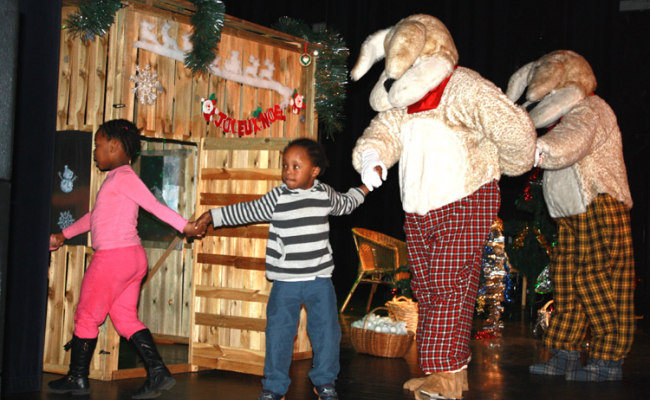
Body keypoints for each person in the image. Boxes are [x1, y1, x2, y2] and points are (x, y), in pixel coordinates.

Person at [349, 14, 536, 400]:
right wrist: (371, 156)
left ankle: (444, 373)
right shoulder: (405, 101)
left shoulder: (463, 86)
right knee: (429, 286)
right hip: (419, 208)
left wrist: (509, 163)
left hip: (466, 197)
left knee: (449, 284)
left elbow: (512, 126)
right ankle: (453, 371)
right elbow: (383, 130)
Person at [194, 138, 370, 400]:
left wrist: (366, 186)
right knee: (278, 335)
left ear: (314, 171)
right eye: (285, 165)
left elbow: (346, 204)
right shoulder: (277, 197)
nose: (288, 171)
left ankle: (325, 382)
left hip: (319, 280)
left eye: (296, 166)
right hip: (286, 282)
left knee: (327, 333)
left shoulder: (324, 193)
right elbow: (248, 210)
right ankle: (274, 387)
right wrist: (212, 216)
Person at [48, 119, 204, 398]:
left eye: (98, 145)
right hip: (131, 259)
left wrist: (186, 227)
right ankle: (157, 372)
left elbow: (153, 205)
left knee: (86, 316)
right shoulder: (115, 180)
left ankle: (77, 377)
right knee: (124, 319)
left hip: (113, 258)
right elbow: (94, 217)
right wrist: (63, 234)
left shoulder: (123, 178)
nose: (95, 151)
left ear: (114, 146)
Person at [507, 50, 635, 381]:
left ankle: (608, 358)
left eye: (552, 90)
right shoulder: (565, 116)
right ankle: (565, 352)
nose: (548, 98)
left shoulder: (592, 108)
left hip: (599, 204)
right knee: (565, 282)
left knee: (598, 280)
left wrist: (539, 149)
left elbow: (572, 140)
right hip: (569, 214)